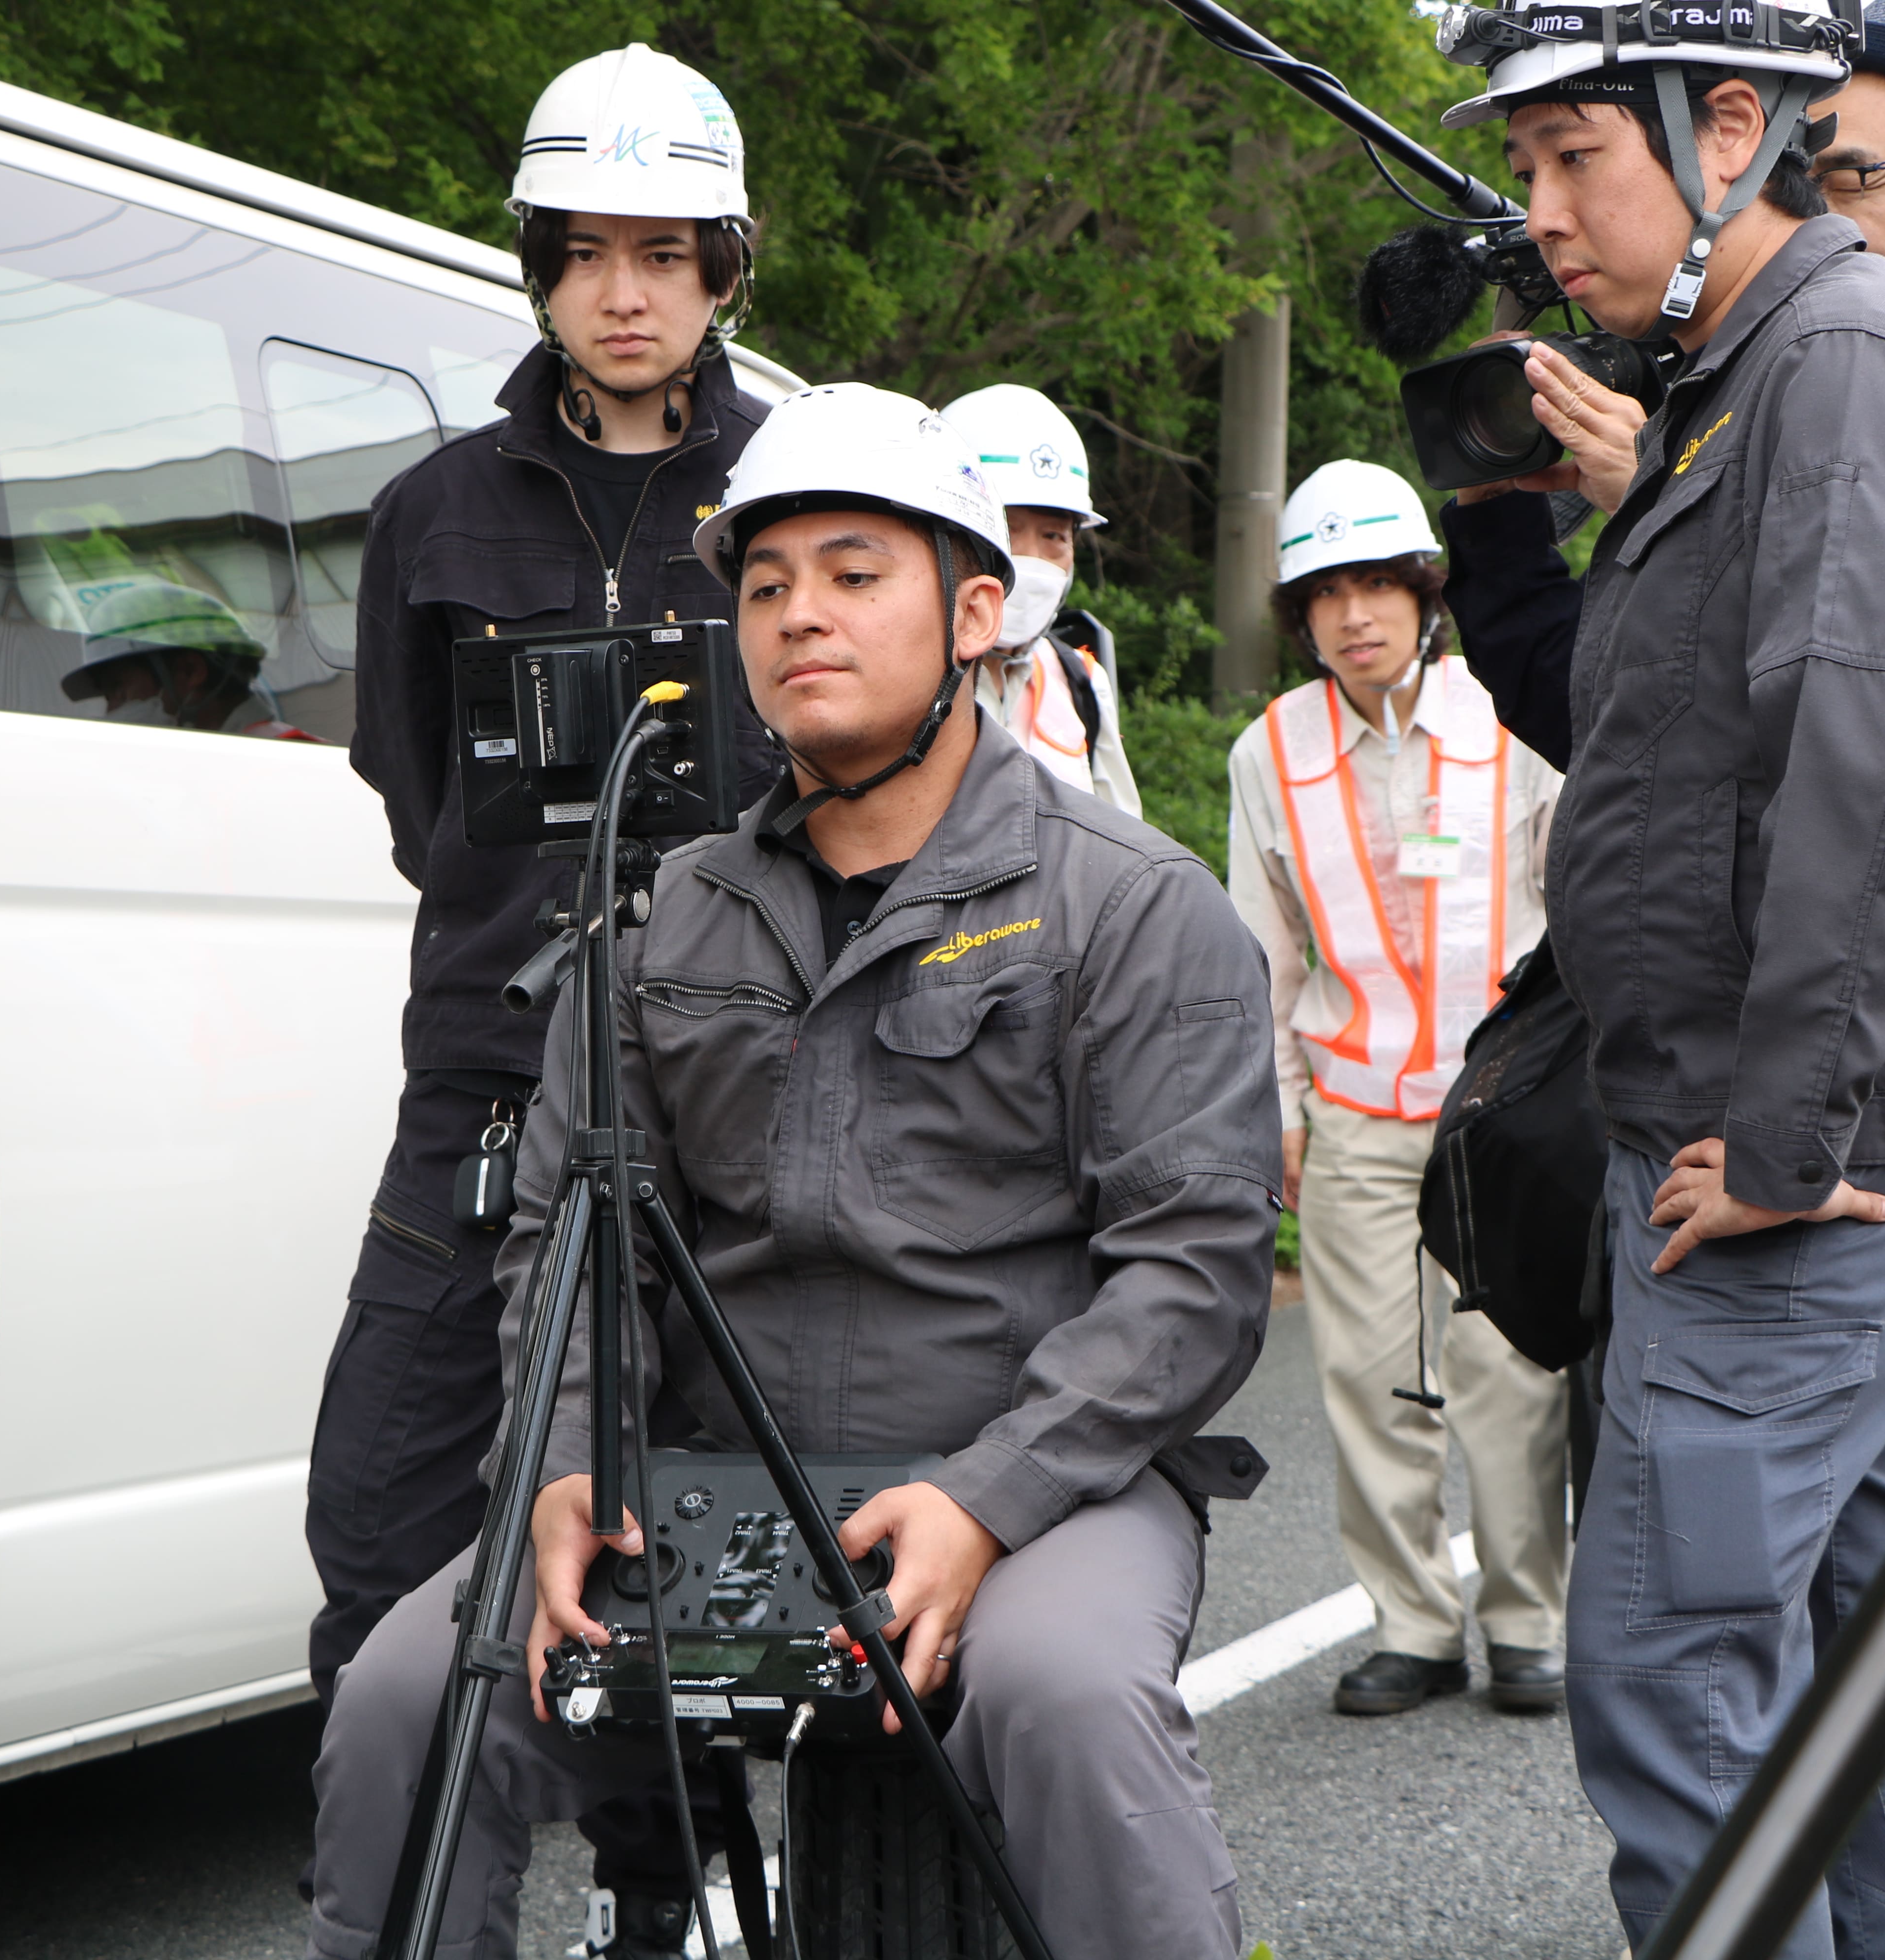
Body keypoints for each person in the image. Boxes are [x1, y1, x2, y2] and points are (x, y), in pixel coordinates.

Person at [304, 383, 1279, 1960]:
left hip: (1034, 1479)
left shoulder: (1130, 905)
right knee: (408, 1701)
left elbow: (1194, 1269)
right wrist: (566, 1463)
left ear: (976, 612)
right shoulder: (661, 917)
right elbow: (569, 1236)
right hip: (706, 1485)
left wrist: (987, 1498)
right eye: (762, 587)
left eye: (852, 573)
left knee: (1067, 1695)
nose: (797, 615)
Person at [1439, 3, 1885, 1947]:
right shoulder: (1742, 373)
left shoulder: (1837, 364)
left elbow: (1881, 762)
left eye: (1579, 155)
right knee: (1851, 1671)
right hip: (1763, 1131)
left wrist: (1781, 1135)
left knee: (1675, 1678)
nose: (1542, 213)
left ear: (1734, 128)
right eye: (1525, 165)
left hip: (1805, 1166)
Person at [313, 43, 782, 1955]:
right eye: (584, 250)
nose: (623, 291)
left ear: (726, 263)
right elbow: (416, 791)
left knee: (690, 1536)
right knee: (381, 1533)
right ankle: (430, 1918)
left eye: (663, 252)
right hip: (488, 1094)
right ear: (535, 262)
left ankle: (671, 1894)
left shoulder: (794, 492)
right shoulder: (434, 514)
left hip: (734, 1096)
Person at [1225, 459, 1568, 1717]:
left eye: (1378, 583)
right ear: (1301, 614)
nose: (1354, 613)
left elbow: (1575, 907)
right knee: (1371, 1380)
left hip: (1503, 1114)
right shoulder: (1269, 749)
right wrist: (1275, 1112)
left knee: (1511, 1376)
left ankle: (1529, 1619)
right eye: (1326, 592)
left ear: (1428, 593)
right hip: (1356, 1110)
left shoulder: (1513, 710)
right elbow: (1261, 951)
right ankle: (1413, 1624)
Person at [939, 384, 1140, 812]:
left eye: (1054, 536)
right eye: (1007, 529)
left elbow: (1123, 839)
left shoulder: (1082, 684)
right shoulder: (897, 678)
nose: (1031, 560)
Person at [60, 578, 319, 736]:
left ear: (190, 671)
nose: (112, 711)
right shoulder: (211, 763)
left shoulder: (286, 764)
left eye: (118, 691)